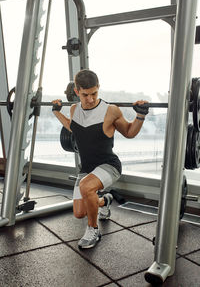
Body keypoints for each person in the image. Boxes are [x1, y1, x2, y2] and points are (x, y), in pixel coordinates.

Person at [52, 69, 149, 249]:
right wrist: (57, 112)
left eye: (94, 93)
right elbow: (72, 127)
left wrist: (140, 115)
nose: (90, 99)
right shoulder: (74, 109)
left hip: (109, 166)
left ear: (98, 88)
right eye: (85, 95)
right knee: (79, 212)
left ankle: (93, 229)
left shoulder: (110, 110)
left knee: (86, 187)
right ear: (77, 92)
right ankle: (105, 200)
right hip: (87, 169)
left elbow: (129, 132)